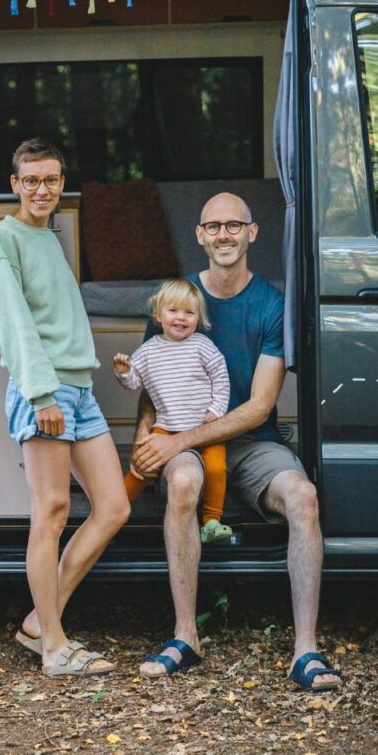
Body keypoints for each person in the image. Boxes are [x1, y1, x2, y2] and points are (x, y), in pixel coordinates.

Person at [132, 192, 342, 691]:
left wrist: (178, 437)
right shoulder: (176, 298)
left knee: (304, 497)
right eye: (213, 226)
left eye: (234, 226)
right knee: (182, 481)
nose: (223, 235)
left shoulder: (271, 303)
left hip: (249, 441)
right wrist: (146, 435)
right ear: (200, 235)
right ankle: (186, 637)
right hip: (182, 442)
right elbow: (150, 382)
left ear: (252, 233)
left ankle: (306, 651)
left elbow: (260, 406)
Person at [0, 138, 130, 678]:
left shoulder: (50, 235)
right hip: (43, 391)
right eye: (31, 180)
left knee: (113, 507)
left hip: (80, 390)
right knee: (51, 514)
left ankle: (40, 622)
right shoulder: (4, 239)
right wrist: (41, 394)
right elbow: (12, 322)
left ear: (62, 183)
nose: (42, 189)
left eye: (51, 180)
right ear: (15, 184)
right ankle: (54, 648)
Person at [113, 278, 232, 545]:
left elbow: (221, 377)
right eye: (173, 311)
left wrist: (216, 408)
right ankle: (115, 509)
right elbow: (134, 383)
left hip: (203, 426)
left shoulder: (202, 345)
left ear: (198, 318)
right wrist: (124, 372)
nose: (181, 318)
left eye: (189, 313)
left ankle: (211, 521)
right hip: (166, 424)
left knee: (216, 467)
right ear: (158, 315)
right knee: (143, 465)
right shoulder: (149, 350)